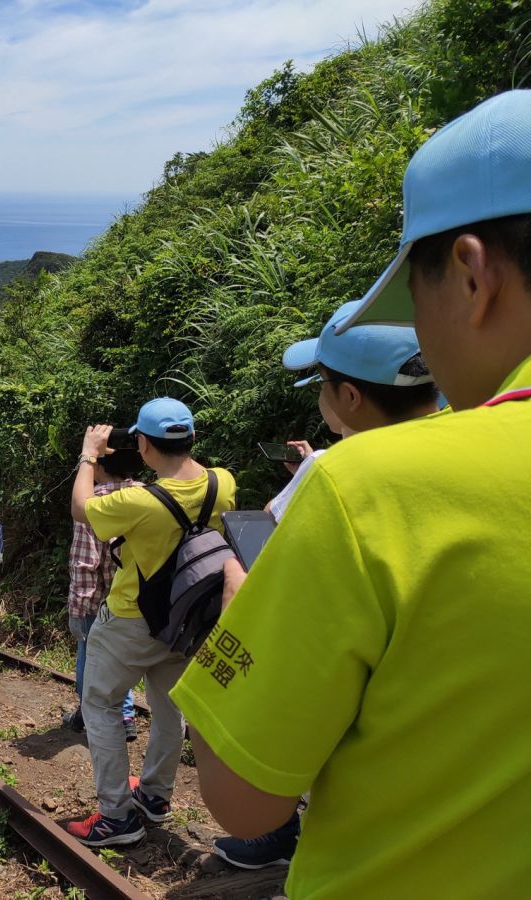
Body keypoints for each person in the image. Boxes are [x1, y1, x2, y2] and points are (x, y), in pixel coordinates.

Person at [170, 90, 531, 899]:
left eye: (418, 298)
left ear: (472, 276)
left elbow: (240, 796)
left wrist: (240, 598)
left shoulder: (371, 489)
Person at [211, 300, 437, 870]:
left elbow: (276, 522)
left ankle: (279, 840)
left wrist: (234, 601)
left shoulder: (336, 473)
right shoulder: (477, 440)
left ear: (350, 398)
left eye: (322, 385)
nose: (319, 397)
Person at [64, 398, 236, 848]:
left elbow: (81, 508)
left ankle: (116, 816)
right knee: (168, 708)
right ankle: (156, 796)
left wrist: (88, 453)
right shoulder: (223, 483)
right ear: (193, 437)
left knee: (99, 705)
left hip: (130, 619)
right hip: (186, 619)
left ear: (142, 444)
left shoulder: (138, 500)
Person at [62, 447, 141, 740]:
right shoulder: (147, 493)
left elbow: (85, 561)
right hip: (139, 596)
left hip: (101, 598)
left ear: (99, 466)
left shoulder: (93, 502)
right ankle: (126, 715)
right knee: (121, 658)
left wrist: (77, 608)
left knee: (89, 656)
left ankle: (90, 714)